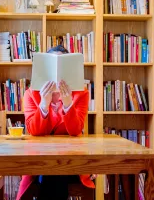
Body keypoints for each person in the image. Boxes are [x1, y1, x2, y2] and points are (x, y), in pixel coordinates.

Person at [16, 45, 95, 200]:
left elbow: (75, 130)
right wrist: (44, 104)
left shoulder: (81, 94)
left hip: (72, 162)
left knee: (57, 168)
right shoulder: (31, 94)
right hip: (39, 161)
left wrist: (67, 104)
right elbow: (33, 130)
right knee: (52, 169)